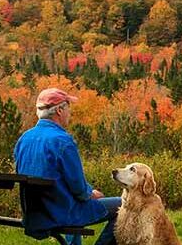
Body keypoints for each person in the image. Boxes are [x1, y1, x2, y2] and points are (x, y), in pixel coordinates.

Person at [14, 88, 121, 245]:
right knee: (124, 206)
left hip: (35, 215)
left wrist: (86, 193)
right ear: (59, 110)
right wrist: (91, 193)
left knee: (72, 199)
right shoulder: (62, 140)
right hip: (60, 213)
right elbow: (78, 188)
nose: (69, 112)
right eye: (68, 107)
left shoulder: (24, 139)